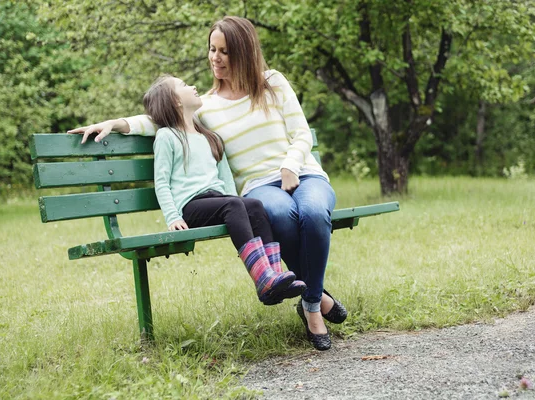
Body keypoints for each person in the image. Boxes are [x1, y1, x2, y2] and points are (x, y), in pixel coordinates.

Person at [68, 16, 346, 351]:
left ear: (243, 52)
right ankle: (316, 304)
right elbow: (161, 117)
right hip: (259, 188)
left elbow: (300, 133)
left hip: (303, 173)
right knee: (283, 216)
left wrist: (290, 165)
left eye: (224, 51)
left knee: (314, 214)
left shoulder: (272, 82)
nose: (215, 57)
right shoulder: (208, 107)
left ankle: (310, 301)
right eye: (212, 49)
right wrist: (116, 123)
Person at [141, 73, 305, 306]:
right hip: (191, 207)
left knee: (254, 206)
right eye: (184, 85)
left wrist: (241, 207)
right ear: (176, 101)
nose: (193, 86)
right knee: (235, 204)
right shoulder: (167, 136)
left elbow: (226, 183)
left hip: (220, 201)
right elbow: (162, 182)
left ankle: (276, 275)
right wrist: (172, 216)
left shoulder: (210, 137)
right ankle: (262, 279)